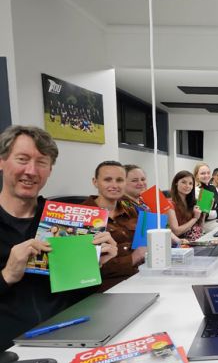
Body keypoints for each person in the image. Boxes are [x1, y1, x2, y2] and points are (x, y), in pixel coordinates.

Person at [0, 125, 117, 350]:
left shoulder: (63, 219)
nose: (32, 171)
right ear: (2, 161)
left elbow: (78, 297)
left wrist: (94, 267)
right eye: (22, 159)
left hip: (71, 338)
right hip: (10, 352)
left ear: (50, 170)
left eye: (42, 162)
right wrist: (7, 275)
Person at [82, 161, 145, 292]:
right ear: (95, 182)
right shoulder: (82, 215)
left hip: (140, 279)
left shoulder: (130, 208)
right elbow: (82, 268)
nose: (114, 185)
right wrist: (133, 258)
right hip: (107, 289)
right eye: (107, 180)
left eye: (120, 180)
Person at [167, 171, 203, 241]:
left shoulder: (192, 202)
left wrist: (204, 213)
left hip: (196, 239)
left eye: (190, 183)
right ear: (176, 183)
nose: (187, 186)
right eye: (183, 182)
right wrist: (195, 218)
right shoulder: (169, 204)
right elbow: (176, 232)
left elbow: (200, 227)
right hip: (182, 242)